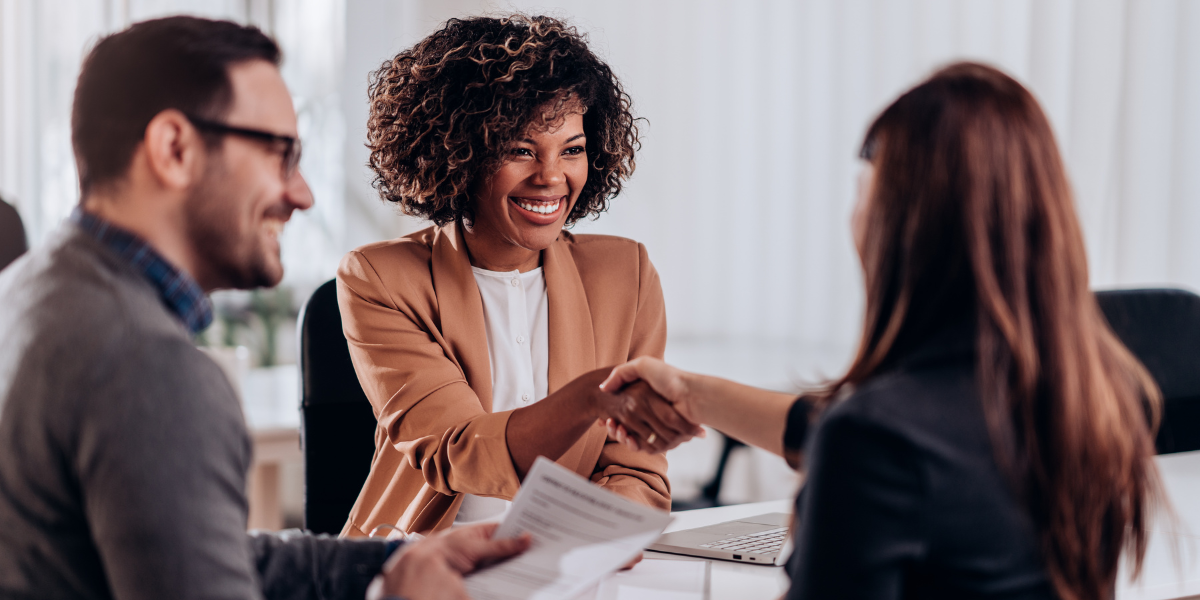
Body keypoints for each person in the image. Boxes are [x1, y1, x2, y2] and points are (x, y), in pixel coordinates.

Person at [0, 16, 527, 600]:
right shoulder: (147, 367)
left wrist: (391, 559)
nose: (302, 193)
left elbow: (192, 549)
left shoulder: (30, 288)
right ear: (174, 149)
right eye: (281, 154)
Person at [601, 62, 1164, 600]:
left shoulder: (875, 438)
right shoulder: (1092, 401)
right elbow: (843, 430)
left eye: (865, 187)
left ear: (905, 224)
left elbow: (866, 442)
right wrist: (692, 395)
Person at [337, 14, 699, 538]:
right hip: (426, 562)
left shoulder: (627, 274)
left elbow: (635, 469)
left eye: (572, 150)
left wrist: (589, 545)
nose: (552, 177)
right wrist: (592, 397)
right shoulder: (381, 278)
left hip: (569, 566)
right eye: (519, 150)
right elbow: (456, 450)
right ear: (459, 154)